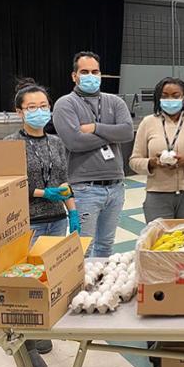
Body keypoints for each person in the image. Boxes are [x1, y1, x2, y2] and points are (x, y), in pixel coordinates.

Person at [5, 78, 78, 367]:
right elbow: (10, 185)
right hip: (27, 222)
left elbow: (63, 181)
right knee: (27, 281)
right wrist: (40, 193)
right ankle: (27, 343)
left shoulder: (57, 142)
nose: (39, 111)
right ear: (19, 112)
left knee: (48, 278)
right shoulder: (11, 144)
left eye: (43, 106)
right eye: (31, 107)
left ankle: (40, 326)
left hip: (56, 218)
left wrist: (72, 212)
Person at [53, 51, 134, 257]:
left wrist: (95, 127)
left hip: (116, 186)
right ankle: (81, 288)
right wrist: (111, 132)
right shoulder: (65, 104)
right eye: (85, 71)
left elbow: (126, 132)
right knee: (83, 249)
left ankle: (102, 288)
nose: (91, 75)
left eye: (95, 71)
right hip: (84, 188)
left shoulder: (115, 102)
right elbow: (75, 142)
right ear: (74, 76)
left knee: (105, 246)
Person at [129, 78, 184, 222]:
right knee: (160, 241)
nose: (170, 99)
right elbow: (134, 160)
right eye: (164, 96)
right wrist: (152, 163)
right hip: (157, 194)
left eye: (175, 96)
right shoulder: (148, 122)